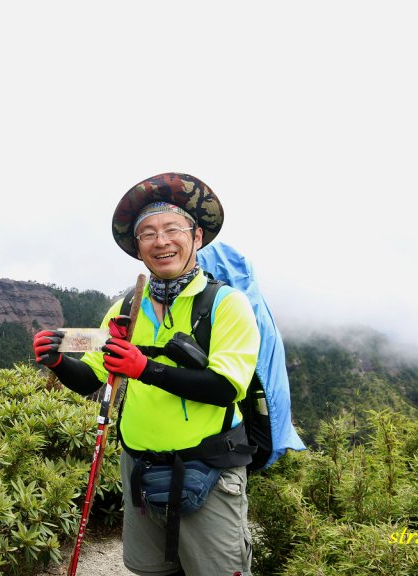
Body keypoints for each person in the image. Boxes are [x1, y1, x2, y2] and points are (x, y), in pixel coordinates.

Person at [33, 173, 259, 576]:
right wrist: (57, 362)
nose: (161, 241)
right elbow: (93, 378)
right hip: (139, 469)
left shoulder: (227, 304)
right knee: (151, 571)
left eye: (173, 229)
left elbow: (225, 388)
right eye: (148, 233)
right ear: (138, 248)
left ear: (197, 237)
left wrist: (144, 368)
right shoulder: (124, 310)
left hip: (209, 468)